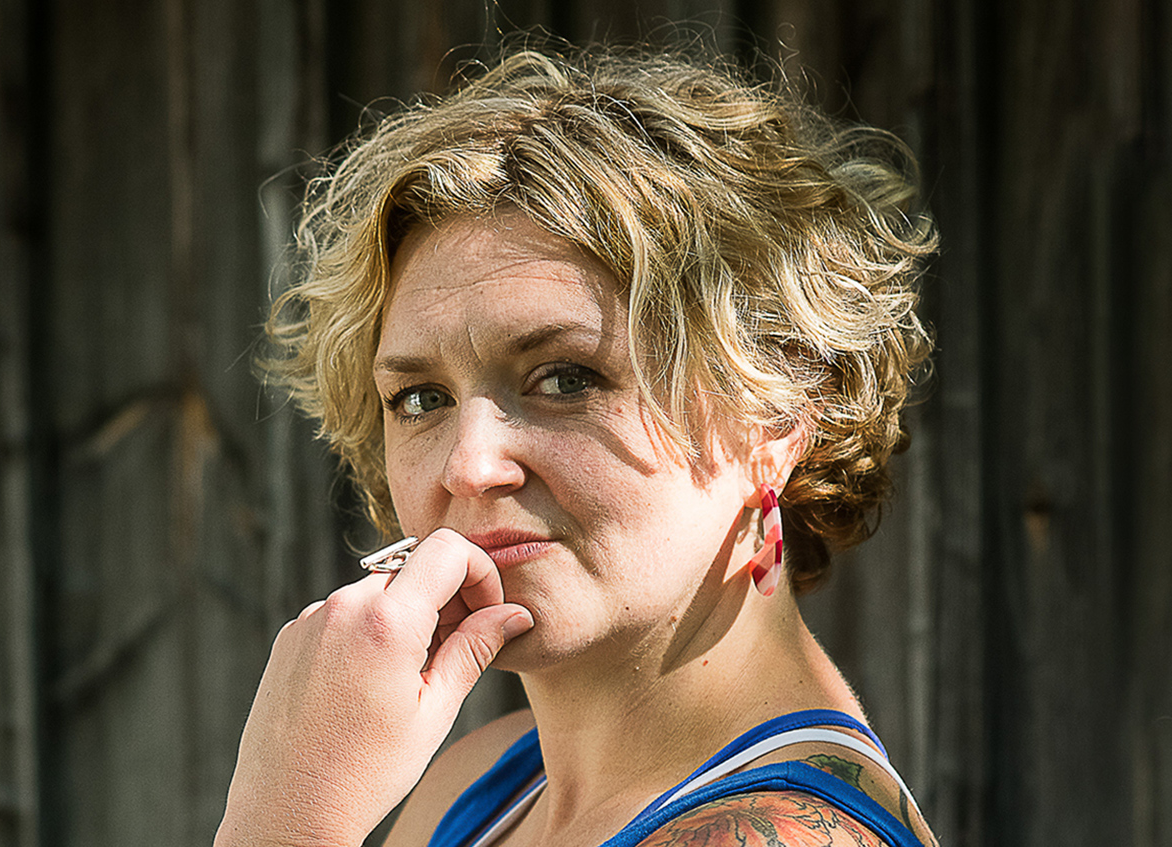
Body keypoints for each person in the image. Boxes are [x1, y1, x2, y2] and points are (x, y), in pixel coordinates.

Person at [216, 46, 939, 847]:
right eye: (420, 398)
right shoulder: (480, 785)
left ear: (773, 417)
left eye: (564, 378)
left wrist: (288, 816)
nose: (469, 463)